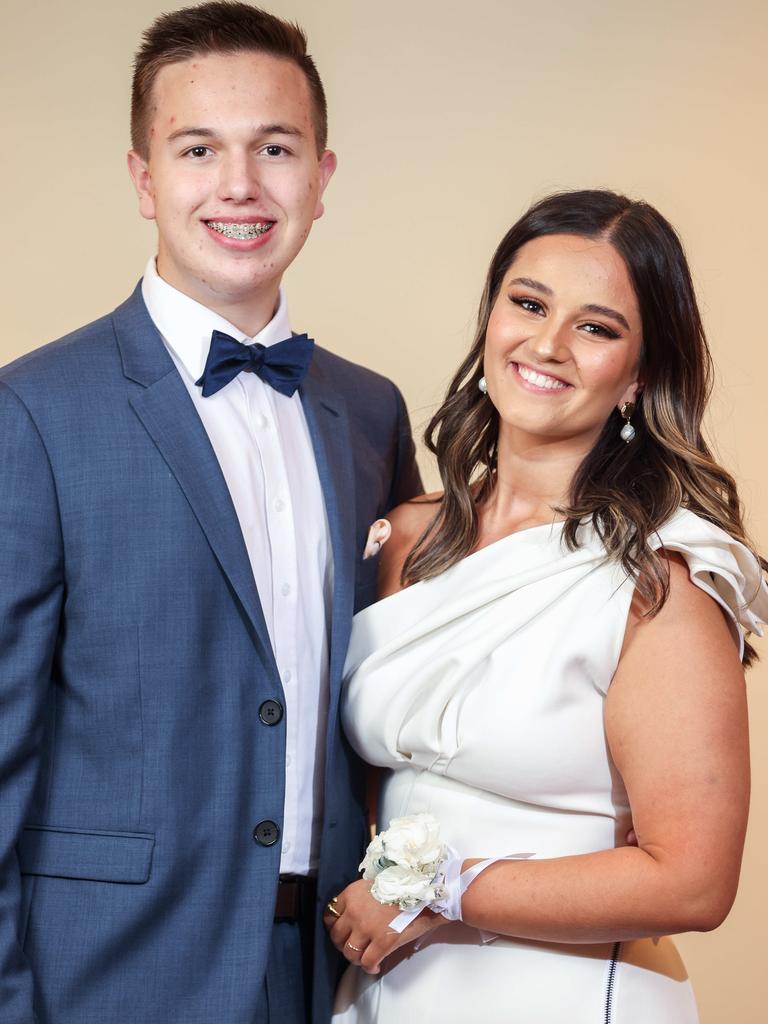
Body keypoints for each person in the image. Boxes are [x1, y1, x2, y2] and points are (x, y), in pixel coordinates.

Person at [0, 4, 420, 1023]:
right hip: (108, 978)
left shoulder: (371, 411)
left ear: (321, 176)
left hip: (331, 971)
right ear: (146, 178)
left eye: (274, 148)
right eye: (199, 149)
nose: (240, 185)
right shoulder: (32, 412)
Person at [324, 189, 768, 1022]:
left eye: (596, 327)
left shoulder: (658, 577)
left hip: (562, 995)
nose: (548, 343)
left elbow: (695, 880)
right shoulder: (406, 537)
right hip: (387, 991)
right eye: (528, 304)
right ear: (491, 318)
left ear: (638, 375)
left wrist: (441, 890)